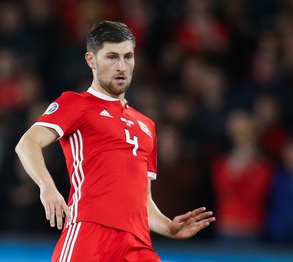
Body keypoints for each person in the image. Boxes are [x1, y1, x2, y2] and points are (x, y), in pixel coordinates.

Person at [15, 20, 215, 261]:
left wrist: (167, 226)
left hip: (138, 244)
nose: (122, 66)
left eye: (128, 56)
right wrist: (47, 187)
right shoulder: (76, 104)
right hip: (90, 234)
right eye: (112, 57)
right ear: (91, 60)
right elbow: (27, 143)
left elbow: (143, 199)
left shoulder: (147, 126)